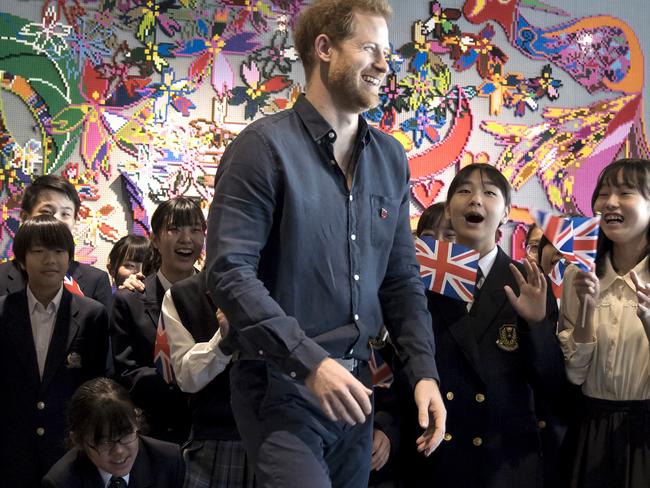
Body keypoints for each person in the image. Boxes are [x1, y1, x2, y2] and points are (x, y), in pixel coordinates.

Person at [204, 1, 446, 486]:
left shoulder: (391, 158)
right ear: (323, 49)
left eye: (387, 53)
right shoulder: (263, 147)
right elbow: (228, 272)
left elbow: (401, 281)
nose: (384, 64)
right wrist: (310, 362)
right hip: (280, 384)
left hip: (357, 389)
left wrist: (423, 371)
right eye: (369, 49)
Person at [401, 163, 566, 488]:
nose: (476, 199)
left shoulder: (528, 282)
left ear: (505, 213)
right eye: (464, 191)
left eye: (489, 192)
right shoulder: (418, 280)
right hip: (436, 458)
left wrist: (535, 325)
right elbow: (404, 366)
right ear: (449, 209)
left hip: (505, 461)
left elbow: (552, 386)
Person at [558, 158, 650, 487]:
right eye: (604, 193)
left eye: (626, 193)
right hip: (590, 428)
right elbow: (574, 373)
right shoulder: (577, 275)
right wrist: (586, 310)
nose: (609, 202)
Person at [0, 215, 109, 488]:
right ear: (22, 260)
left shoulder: (91, 315)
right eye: (39, 251)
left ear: (69, 258)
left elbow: (99, 383)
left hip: (69, 451)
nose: (50, 259)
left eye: (59, 251)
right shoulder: (3, 311)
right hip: (9, 450)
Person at [111, 196, 205, 444]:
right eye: (174, 229)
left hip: (208, 431)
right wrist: (186, 382)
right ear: (154, 239)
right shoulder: (130, 300)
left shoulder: (216, 295)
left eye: (195, 230)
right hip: (152, 433)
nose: (186, 239)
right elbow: (128, 372)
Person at [163, 272, 255, 487]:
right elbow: (187, 378)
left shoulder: (281, 283)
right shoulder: (182, 294)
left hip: (277, 435)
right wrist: (222, 341)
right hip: (216, 439)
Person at [42, 377, 184, 488]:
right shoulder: (61, 482)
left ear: (137, 422)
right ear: (78, 441)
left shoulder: (169, 461)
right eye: (104, 442)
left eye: (126, 434)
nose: (119, 451)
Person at [0, 175, 112, 306]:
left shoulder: (96, 281)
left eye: (65, 214)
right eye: (47, 212)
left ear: (75, 221)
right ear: (25, 218)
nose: (56, 221)